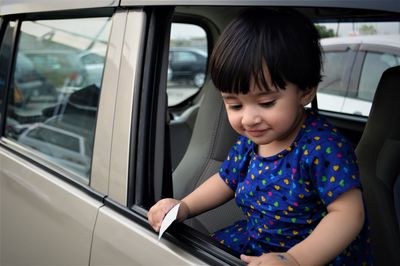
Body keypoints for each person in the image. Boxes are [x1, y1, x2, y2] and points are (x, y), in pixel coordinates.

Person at [148, 8, 372, 266]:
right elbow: (225, 181)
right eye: (234, 105)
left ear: (306, 91)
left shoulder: (323, 147)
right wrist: (184, 206)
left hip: (311, 255)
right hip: (257, 244)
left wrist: (296, 259)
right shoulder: (250, 142)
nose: (249, 119)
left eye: (266, 103)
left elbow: (348, 214)